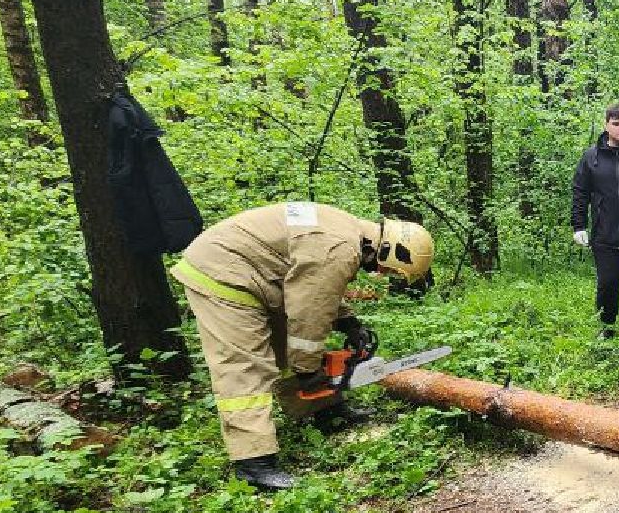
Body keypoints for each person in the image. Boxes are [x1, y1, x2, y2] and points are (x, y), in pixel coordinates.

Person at [171, 203, 433, 491]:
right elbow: (311, 310)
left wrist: (348, 321)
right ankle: (253, 462)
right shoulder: (339, 249)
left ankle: (322, 411)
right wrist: (308, 369)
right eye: (389, 270)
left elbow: (314, 288)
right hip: (222, 273)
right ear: (390, 251)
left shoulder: (348, 234)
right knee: (244, 366)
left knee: (289, 347)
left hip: (259, 275)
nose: (383, 274)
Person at [571, 103, 619, 340]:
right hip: (605, 236)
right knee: (607, 285)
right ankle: (606, 329)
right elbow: (580, 192)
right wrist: (578, 225)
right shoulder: (591, 157)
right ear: (606, 125)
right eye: (616, 124)